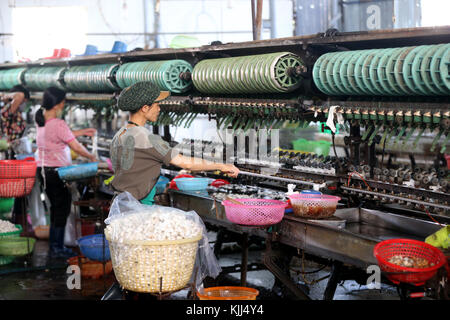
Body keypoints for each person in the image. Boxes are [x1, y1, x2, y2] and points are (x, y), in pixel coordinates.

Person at [109, 81, 239, 205]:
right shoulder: (146, 137)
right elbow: (185, 163)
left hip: (121, 203)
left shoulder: (120, 134)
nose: (159, 109)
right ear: (145, 108)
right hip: (137, 206)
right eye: (157, 104)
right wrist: (221, 166)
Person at [35, 87, 97, 258]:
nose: (63, 105)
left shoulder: (41, 121)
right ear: (57, 105)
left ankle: (55, 246)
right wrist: (92, 157)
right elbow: (75, 146)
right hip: (57, 173)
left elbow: (61, 135)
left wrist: (83, 132)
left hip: (44, 172)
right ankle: (58, 248)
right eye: (62, 102)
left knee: (55, 209)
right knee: (62, 209)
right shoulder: (58, 124)